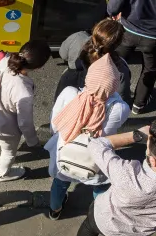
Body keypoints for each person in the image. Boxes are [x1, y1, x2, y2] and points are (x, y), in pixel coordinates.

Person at [47, 54, 129, 220]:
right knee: (100, 187)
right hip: (95, 160)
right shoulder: (119, 107)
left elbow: (54, 126)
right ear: (114, 85)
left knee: (60, 182)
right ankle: (98, 214)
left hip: (65, 154)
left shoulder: (69, 93)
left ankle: (55, 210)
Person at [0, 39, 52, 182]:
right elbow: (25, 123)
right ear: (39, 67)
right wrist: (32, 141)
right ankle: (2, 175)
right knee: (8, 152)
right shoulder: (23, 91)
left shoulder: (2, 59)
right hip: (7, 126)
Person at [56, 18, 132, 105]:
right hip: (93, 106)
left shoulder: (77, 37)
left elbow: (63, 54)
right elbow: (122, 99)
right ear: (118, 43)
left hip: (68, 86)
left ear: (95, 29)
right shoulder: (120, 69)